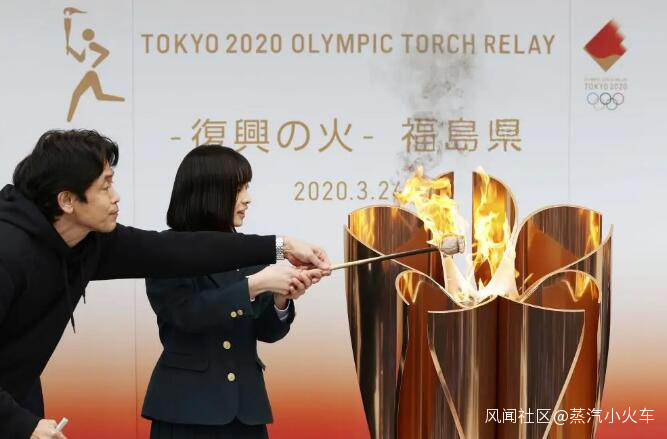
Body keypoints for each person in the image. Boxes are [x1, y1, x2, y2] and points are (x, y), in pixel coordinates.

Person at [0, 130, 330, 439]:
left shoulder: (92, 244)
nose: (116, 197)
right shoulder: (8, 252)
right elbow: (185, 309)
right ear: (67, 200)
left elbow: (183, 251)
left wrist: (282, 246)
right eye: (105, 186)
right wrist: (23, 425)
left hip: (16, 396)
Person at [142, 145, 311, 439]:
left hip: (246, 412)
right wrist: (254, 285)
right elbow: (187, 314)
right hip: (186, 409)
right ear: (209, 192)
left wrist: (282, 298)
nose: (247, 198)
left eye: (247, 187)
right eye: (238, 189)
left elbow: (268, 332)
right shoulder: (166, 249)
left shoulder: (246, 250)